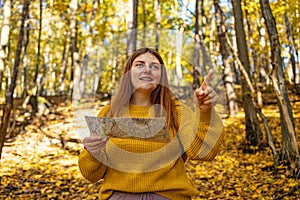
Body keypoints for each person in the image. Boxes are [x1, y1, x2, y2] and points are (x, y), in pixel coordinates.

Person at [78, 47, 224, 200]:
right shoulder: (110, 113)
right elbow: (91, 175)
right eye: (139, 65)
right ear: (128, 73)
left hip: (169, 196)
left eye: (154, 66)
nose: (147, 70)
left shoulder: (176, 111)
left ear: (161, 76)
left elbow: (204, 152)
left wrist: (205, 111)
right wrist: (93, 152)